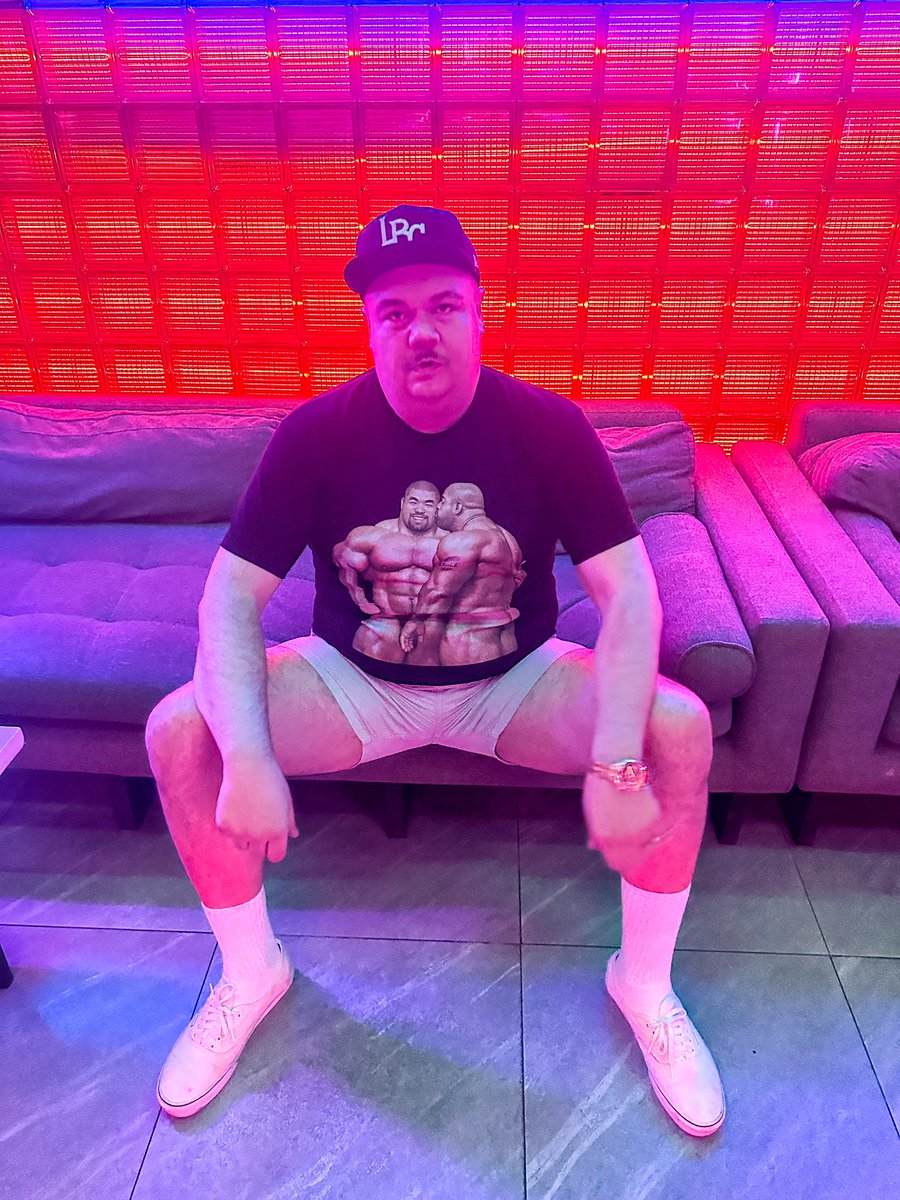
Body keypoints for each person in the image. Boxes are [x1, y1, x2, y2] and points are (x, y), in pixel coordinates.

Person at [144, 204, 725, 1137]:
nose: (421, 331)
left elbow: (630, 596)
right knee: (181, 731)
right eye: (395, 312)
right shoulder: (316, 434)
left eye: (444, 306)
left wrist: (618, 760)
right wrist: (248, 759)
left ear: (480, 313)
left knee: (678, 727)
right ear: (370, 328)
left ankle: (644, 983)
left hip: (516, 683)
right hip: (356, 683)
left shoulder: (548, 427)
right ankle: (251, 974)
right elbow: (228, 600)